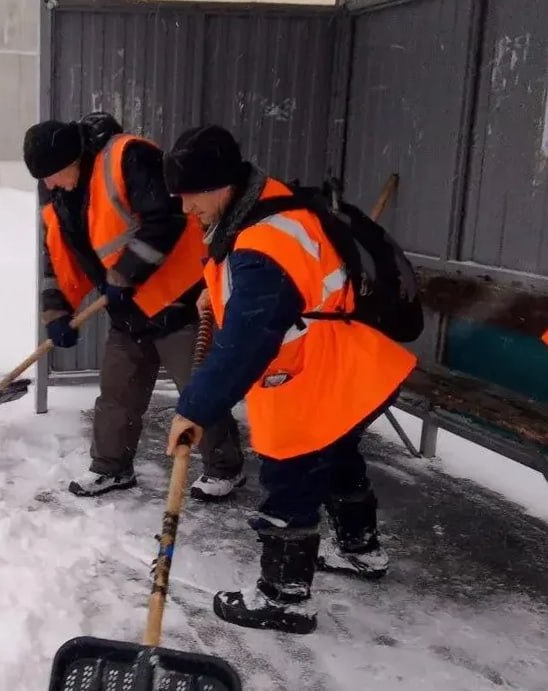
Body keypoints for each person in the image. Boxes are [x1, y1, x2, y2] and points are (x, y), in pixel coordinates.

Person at [161, 124, 417, 634]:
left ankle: (283, 598)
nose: (187, 209)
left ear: (219, 185)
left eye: (191, 196)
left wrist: (194, 408)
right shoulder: (270, 202)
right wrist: (218, 291)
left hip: (313, 373)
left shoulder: (264, 244)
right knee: (339, 455)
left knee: (291, 477)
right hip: (354, 362)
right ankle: (360, 551)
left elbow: (246, 344)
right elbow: (277, 285)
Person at [22, 112, 246, 499]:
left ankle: (225, 468)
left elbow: (167, 217)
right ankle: (112, 467)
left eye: (53, 173)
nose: (48, 183)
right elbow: (54, 258)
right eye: (43, 178)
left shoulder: (128, 157)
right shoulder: (58, 194)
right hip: (128, 312)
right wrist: (57, 313)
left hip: (177, 300)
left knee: (199, 389)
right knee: (117, 393)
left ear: (74, 159)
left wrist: (124, 275)